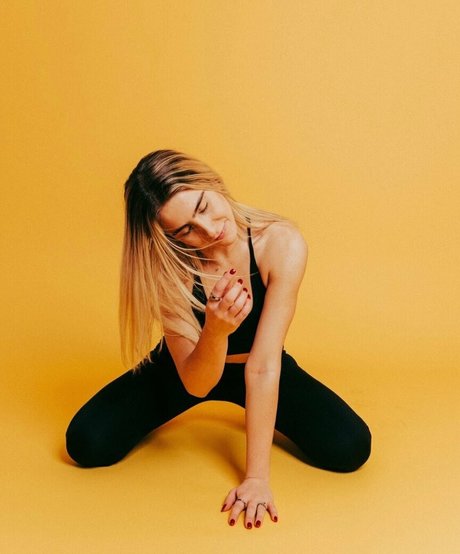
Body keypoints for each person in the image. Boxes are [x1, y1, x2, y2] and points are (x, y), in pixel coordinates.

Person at [65, 149, 371, 529]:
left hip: (257, 366)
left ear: (211, 183)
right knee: (86, 442)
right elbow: (197, 384)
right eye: (186, 230)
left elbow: (264, 366)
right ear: (169, 237)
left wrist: (256, 479)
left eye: (204, 207)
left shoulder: (280, 244)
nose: (209, 230)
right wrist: (214, 331)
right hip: (187, 368)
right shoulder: (167, 269)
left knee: (350, 447)